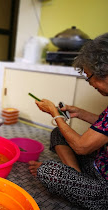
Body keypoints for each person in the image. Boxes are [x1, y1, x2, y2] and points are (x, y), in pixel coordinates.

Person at [28, 33, 108, 209]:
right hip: (99, 163)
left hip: (105, 187)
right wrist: (80, 113)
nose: (90, 84)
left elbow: (81, 146)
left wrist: (55, 114)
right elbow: (104, 127)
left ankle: (77, 183)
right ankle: (77, 178)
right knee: (59, 134)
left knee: (47, 171)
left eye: (89, 77)